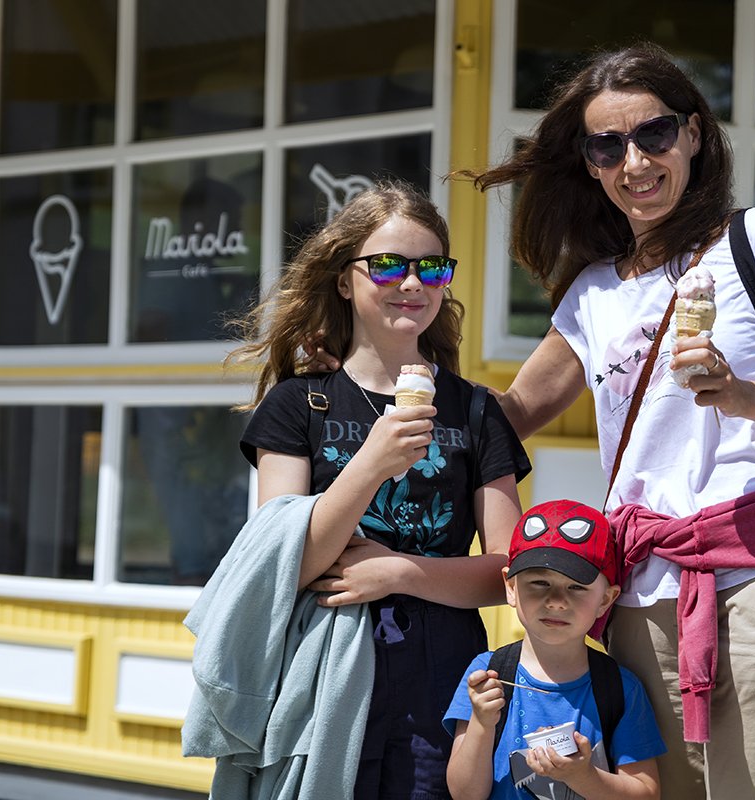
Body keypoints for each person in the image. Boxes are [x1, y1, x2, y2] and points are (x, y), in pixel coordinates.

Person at [464, 44, 755, 798]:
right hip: (636, 603)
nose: (635, 162)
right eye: (607, 145)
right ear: (589, 163)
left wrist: (747, 397)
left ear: (691, 134)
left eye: (653, 134)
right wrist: (392, 372)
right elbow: (511, 414)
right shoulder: (592, 293)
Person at [228, 180, 531, 799]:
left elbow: (508, 573)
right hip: (324, 661)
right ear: (345, 279)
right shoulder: (297, 406)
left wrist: (395, 572)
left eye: (432, 267)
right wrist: (372, 460)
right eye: (388, 264)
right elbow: (285, 562)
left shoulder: (475, 411)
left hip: (441, 673)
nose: (412, 283)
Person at [444, 499, 665, 800]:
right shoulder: (487, 674)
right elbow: (464, 793)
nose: (557, 601)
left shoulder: (621, 688)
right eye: (539, 582)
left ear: (606, 599)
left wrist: (583, 777)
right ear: (510, 587)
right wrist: (482, 725)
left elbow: (646, 793)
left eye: (576, 587)